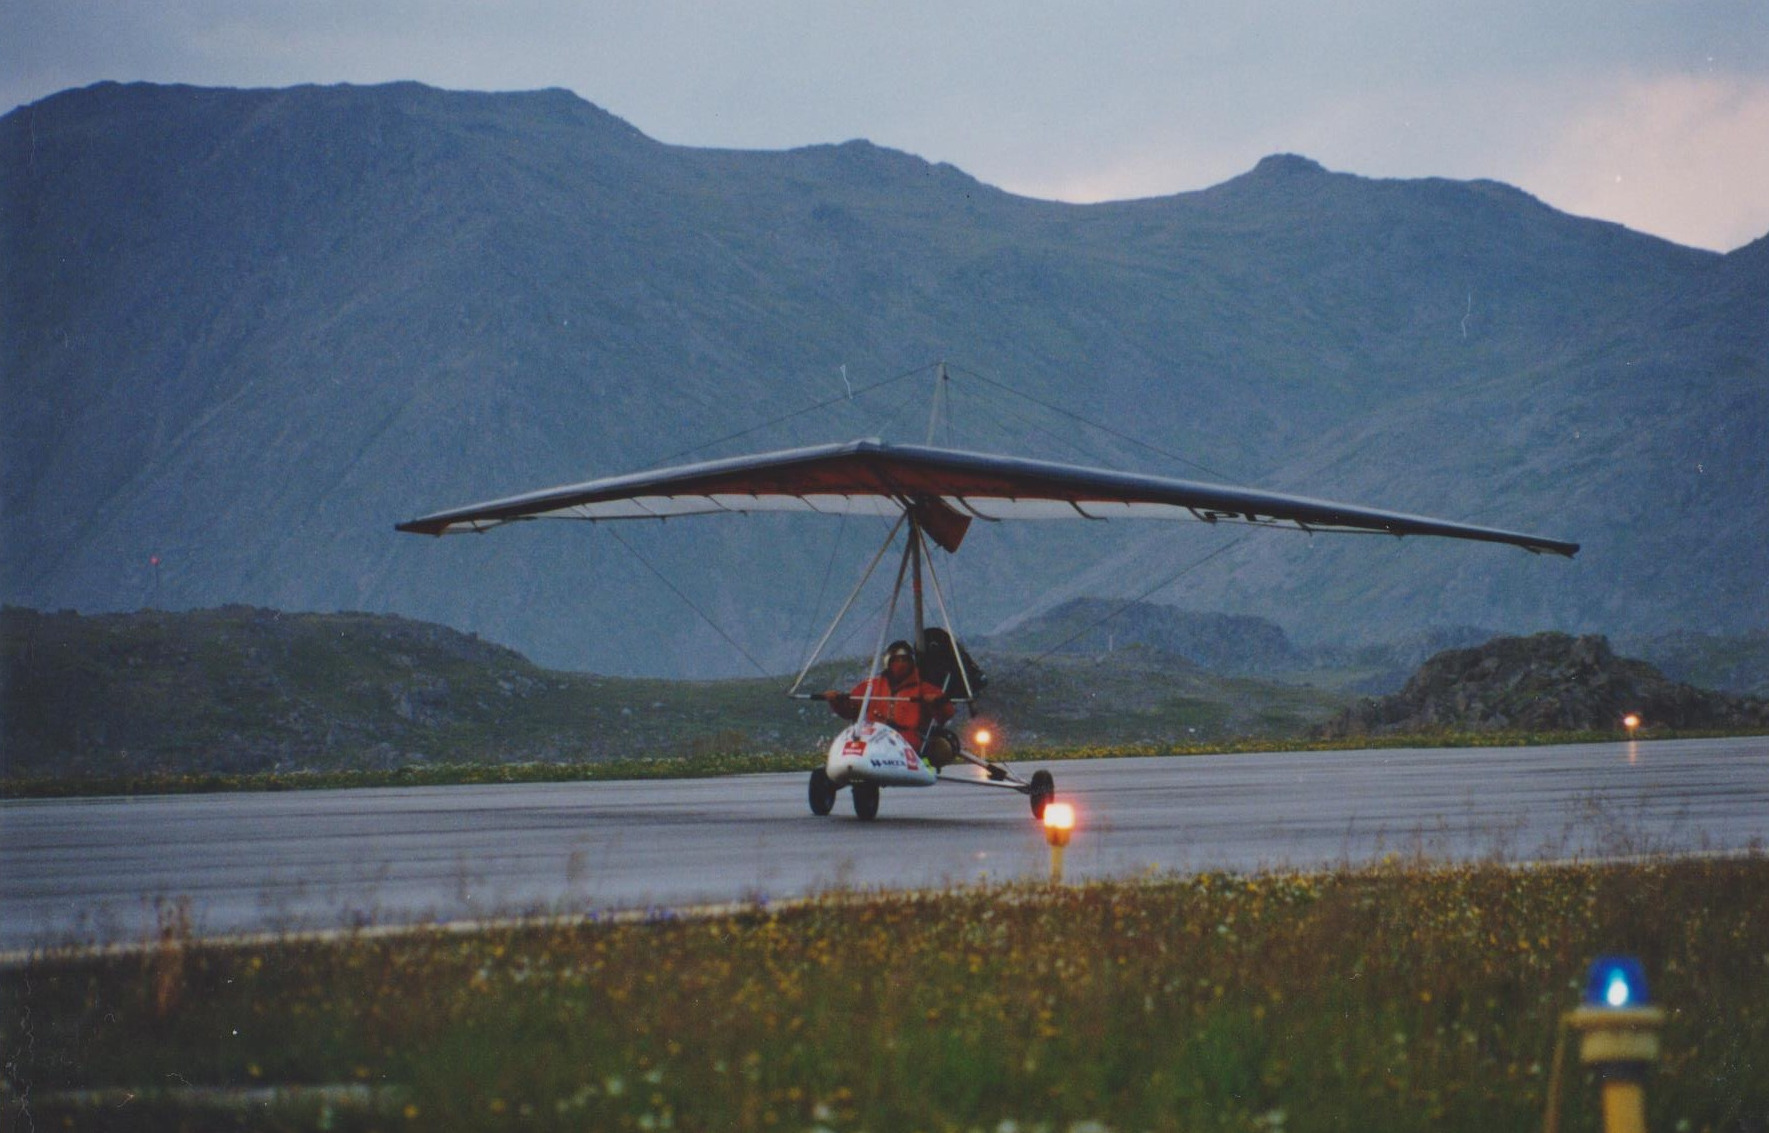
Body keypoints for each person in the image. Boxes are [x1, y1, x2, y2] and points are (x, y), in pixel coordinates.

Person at [821, 640, 958, 766]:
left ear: (912, 663)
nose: (901, 664)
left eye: (905, 660)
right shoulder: (872, 686)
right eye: (896, 660)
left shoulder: (923, 688)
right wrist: (836, 701)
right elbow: (850, 709)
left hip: (907, 740)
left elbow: (946, 713)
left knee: (930, 747)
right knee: (858, 743)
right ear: (888, 662)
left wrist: (936, 702)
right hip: (875, 736)